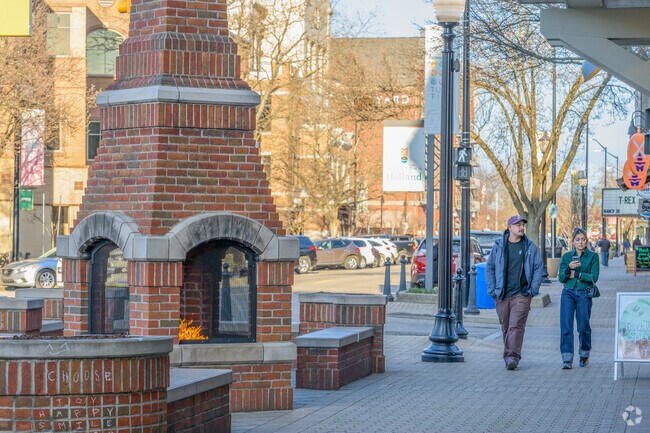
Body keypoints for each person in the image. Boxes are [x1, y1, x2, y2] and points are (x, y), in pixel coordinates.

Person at [486, 215, 544, 370]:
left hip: (522, 294)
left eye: (522, 225)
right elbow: (490, 267)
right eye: (517, 225)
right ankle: (510, 355)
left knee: (515, 326)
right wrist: (492, 290)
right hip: (502, 294)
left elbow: (539, 267)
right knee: (506, 327)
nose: (521, 227)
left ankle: (512, 357)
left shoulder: (530, 247)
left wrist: (533, 289)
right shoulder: (499, 246)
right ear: (509, 227)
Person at [558, 228, 600, 369]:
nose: (581, 242)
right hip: (568, 292)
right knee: (566, 326)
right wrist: (568, 269)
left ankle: (584, 354)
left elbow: (594, 277)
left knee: (583, 326)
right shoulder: (566, 257)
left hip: (584, 293)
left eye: (583, 239)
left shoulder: (593, 256)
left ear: (586, 241)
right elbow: (561, 278)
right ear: (573, 242)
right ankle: (567, 359)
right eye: (578, 239)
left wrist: (577, 274)